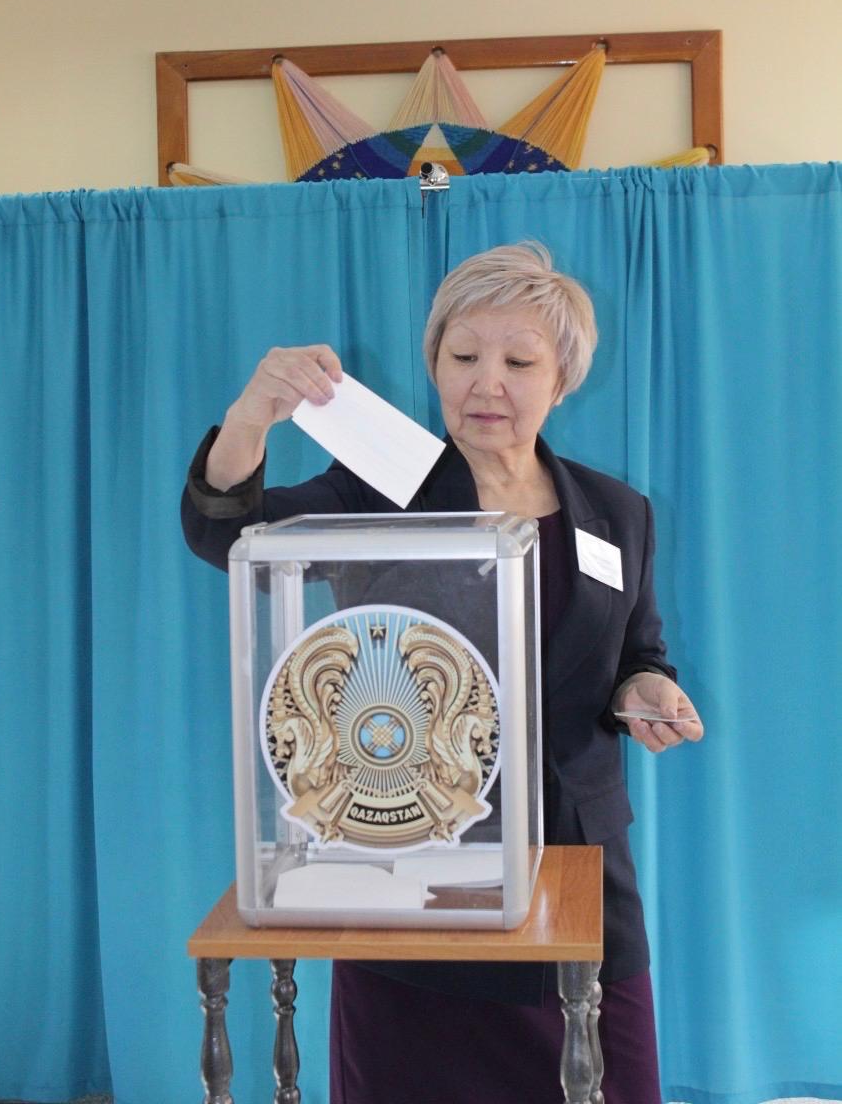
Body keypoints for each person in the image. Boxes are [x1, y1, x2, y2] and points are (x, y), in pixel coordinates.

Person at [182, 242, 703, 1104]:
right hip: (412, 864)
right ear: (434, 366)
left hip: (578, 867)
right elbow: (224, 535)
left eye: (518, 362)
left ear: (562, 380)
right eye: (462, 357)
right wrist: (249, 420)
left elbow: (636, 655)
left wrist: (643, 689)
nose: (485, 383)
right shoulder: (382, 487)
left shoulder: (617, 512)